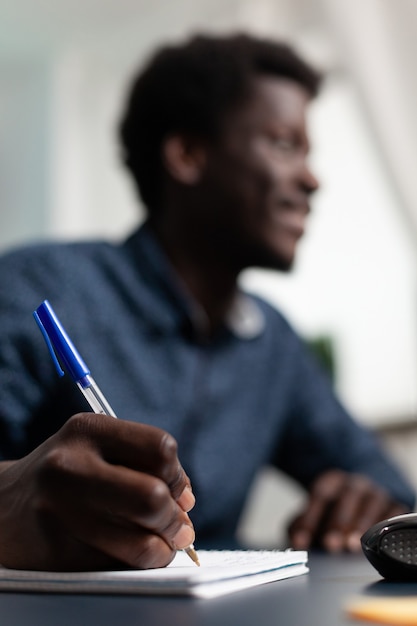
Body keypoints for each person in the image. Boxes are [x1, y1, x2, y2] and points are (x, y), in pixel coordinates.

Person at [0, 32, 414, 571]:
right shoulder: (37, 287)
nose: (312, 179)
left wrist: (368, 499)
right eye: (285, 144)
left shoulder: (272, 342)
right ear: (188, 155)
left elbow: (390, 486)